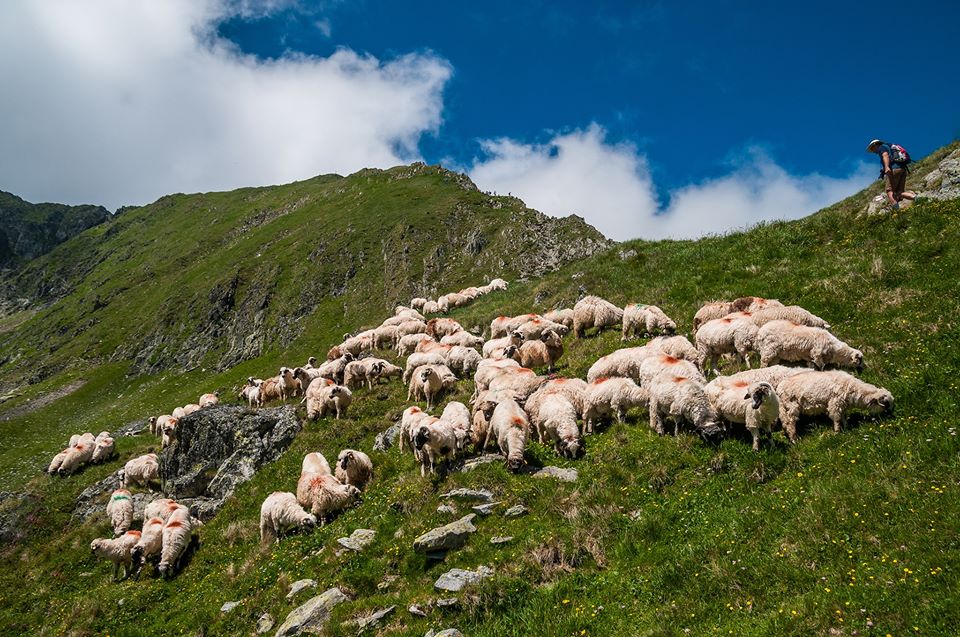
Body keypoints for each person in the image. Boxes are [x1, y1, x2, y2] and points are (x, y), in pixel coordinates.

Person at [866, 139, 911, 209]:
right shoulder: (888, 147)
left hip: (894, 170)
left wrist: (886, 167)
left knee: (889, 191)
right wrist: (883, 172)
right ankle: (916, 198)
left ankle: (897, 212)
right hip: (902, 169)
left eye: (872, 148)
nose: (873, 151)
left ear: (875, 145)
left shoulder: (881, 147)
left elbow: (885, 155)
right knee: (899, 193)